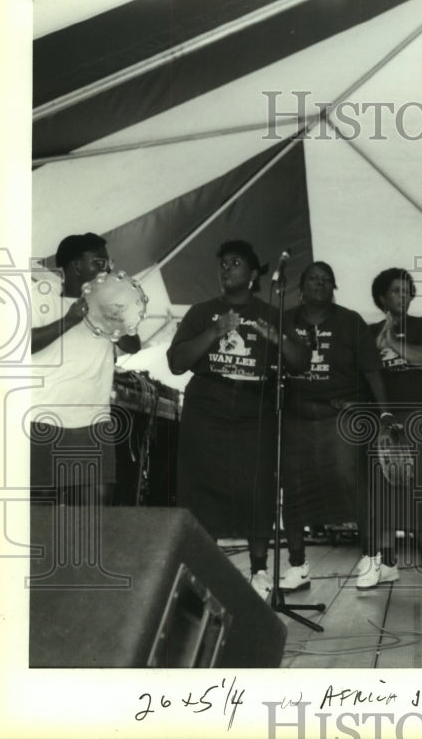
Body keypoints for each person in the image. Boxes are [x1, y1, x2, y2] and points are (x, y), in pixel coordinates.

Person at [167, 240, 310, 599]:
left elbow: (301, 362)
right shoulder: (202, 312)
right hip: (207, 406)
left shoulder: (271, 312)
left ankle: (259, 571)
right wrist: (215, 331)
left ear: (253, 274)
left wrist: (277, 337)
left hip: (254, 407)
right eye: (223, 263)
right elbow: (176, 362)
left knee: (258, 487)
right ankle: (204, 567)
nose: (226, 268)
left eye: (235, 263)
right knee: (200, 489)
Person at [278, 261, 395, 592]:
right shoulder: (285, 320)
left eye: (326, 280)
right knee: (294, 490)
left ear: (334, 288)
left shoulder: (350, 322)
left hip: (339, 416)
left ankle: (371, 558)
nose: (319, 284)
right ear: (301, 287)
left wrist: (385, 416)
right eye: (312, 278)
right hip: (297, 416)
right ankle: (298, 566)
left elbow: (373, 371)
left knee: (352, 484)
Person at [31, 232, 141, 506]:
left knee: (96, 514)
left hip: (94, 423)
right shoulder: (40, 296)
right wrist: (68, 321)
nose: (107, 270)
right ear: (76, 266)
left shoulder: (108, 304)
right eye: (99, 263)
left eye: (108, 263)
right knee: (38, 514)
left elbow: (133, 344)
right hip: (44, 419)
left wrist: (110, 314)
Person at [369, 267, 422, 587]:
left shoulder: (421, 325)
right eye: (395, 291)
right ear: (382, 297)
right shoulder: (369, 332)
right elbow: (368, 377)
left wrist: (392, 341)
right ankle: (387, 561)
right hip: (390, 418)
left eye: (407, 290)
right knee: (386, 486)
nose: (403, 296)